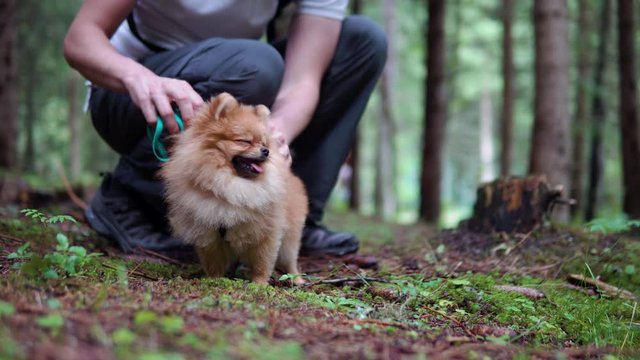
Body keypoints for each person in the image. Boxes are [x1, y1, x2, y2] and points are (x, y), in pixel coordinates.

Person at [63, 0, 386, 259]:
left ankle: (289, 218)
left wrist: (277, 131)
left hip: (232, 76)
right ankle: (129, 198)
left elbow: (303, 81)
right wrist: (139, 78)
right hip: (128, 94)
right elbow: (80, 39)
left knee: (362, 41)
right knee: (258, 65)